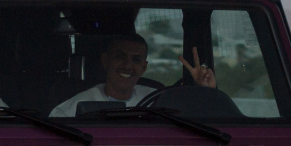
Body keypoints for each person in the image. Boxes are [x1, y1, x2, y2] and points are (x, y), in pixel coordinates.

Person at [49, 33, 215, 118]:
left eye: (136, 60)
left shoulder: (160, 101)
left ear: (143, 68)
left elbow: (197, 126)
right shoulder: (68, 111)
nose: (128, 66)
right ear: (106, 61)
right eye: (120, 57)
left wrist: (205, 92)